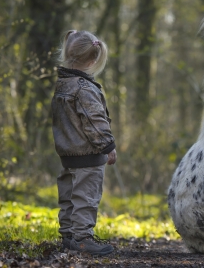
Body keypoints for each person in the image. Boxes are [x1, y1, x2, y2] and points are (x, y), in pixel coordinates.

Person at [51, 30, 117, 256]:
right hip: (87, 156)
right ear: (92, 60)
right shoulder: (84, 88)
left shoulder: (63, 85)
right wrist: (108, 147)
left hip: (67, 155)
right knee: (85, 199)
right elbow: (94, 121)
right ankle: (82, 239)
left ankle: (68, 236)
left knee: (69, 197)